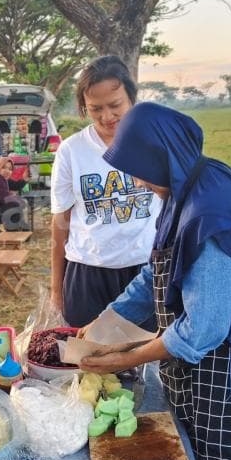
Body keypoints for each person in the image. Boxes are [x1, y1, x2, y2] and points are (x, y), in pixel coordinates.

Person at [79, 102, 231, 460]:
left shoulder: (209, 214)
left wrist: (125, 358)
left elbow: (205, 328)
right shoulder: (186, 185)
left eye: (139, 173)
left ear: (158, 157)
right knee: (199, 455)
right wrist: (105, 323)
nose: (137, 183)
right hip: (208, 359)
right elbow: (157, 273)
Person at [50, 55, 162, 328]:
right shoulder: (72, 151)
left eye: (115, 105)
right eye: (95, 108)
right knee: (87, 359)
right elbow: (60, 222)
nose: (107, 116)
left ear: (132, 98)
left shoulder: (154, 143)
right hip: (87, 273)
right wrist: (56, 288)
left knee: (142, 357)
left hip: (145, 270)